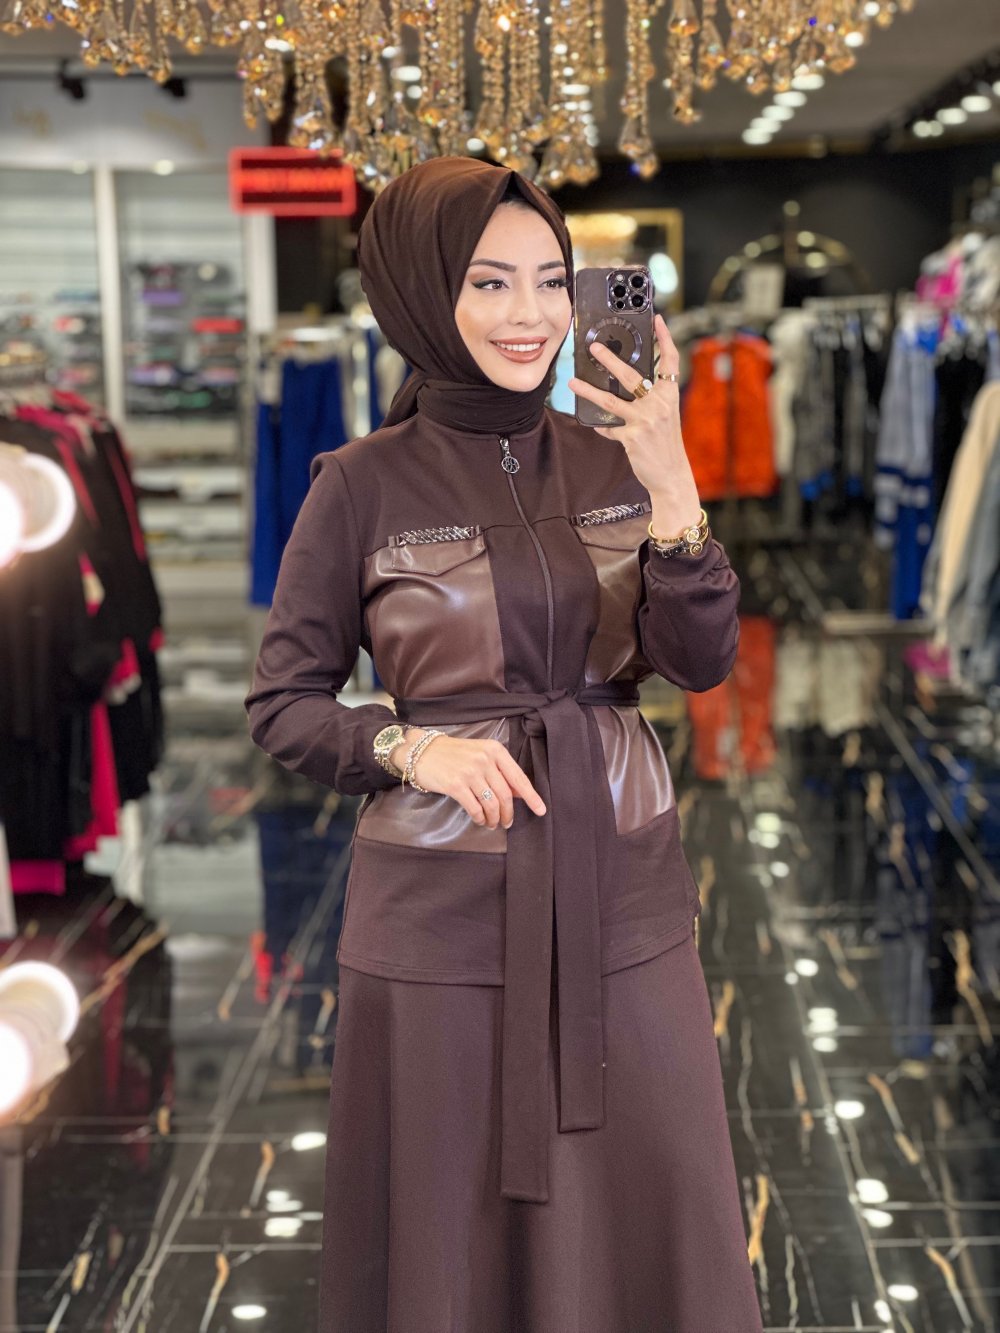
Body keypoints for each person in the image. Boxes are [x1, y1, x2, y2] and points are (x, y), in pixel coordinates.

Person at [246, 156, 764, 1333]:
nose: (528, 314)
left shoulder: (615, 458)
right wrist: (410, 749)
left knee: (654, 1184)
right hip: (441, 908)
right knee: (452, 1215)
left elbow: (698, 662)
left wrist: (673, 486)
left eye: (548, 280)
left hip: (622, 888)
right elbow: (283, 702)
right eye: (488, 282)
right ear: (423, 293)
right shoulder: (358, 485)